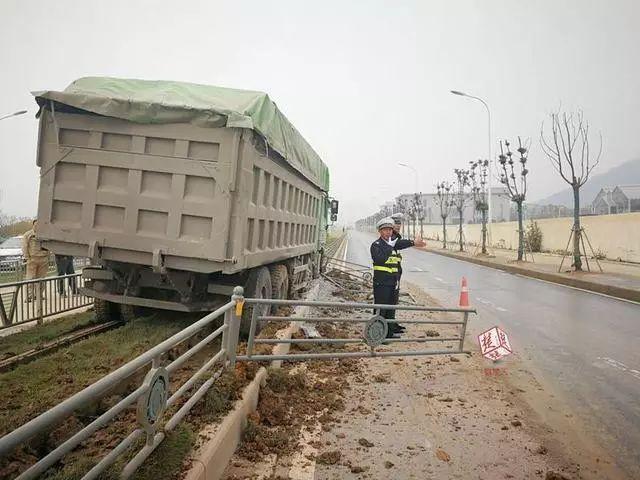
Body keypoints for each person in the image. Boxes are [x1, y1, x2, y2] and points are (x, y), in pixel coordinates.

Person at [370, 217, 425, 337]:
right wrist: (389, 247)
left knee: (391, 308)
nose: (388, 232)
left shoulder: (393, 245)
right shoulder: (376, 245)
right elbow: (379, 259)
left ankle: (389, 333)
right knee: (380, 309)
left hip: (393, 283)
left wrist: (413, 243)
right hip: (381, 283)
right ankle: (378, 335)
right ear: (380, 231)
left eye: (390, 230)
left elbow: (401, 243)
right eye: (385, 230)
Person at [22, 220, 50, 301]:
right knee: (30, 279)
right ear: (33, 225)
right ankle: (29, 296)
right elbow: (24, 246)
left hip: (43, 259)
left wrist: (48, 256)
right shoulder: (28, 234)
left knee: (41, 279)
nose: (37, 226)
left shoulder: (44, 234)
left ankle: (39, 295)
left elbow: (48, 246)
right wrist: (27, 257)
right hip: (32, 259)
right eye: (36, 224)